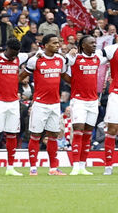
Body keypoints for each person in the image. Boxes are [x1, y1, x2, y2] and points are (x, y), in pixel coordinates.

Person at [22, 31, 68, 174]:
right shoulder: (35, 60)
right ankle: (33, 168)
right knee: (35, 135)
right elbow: (21, 76)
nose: (57, 45)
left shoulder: (60, 60)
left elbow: (65, 77)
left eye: (58, 42)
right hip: (40, 104)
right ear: (46, 45)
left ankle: (53, 168)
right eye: (54, 43)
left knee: (53, 135)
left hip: (55, 103)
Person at [66, 34, 104, 175]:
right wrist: (69, 53)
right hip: (79, 100)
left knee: (88, 134)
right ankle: (75, 166)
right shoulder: (75, 58)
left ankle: (82, 166)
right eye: (91, 43)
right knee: (78, 131)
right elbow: (62, 64)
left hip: (93, 101)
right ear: (83, 46)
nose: (94, 45)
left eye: (95, 43)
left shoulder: (97, 58)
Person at [0, 44, 24, 172]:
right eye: (12, 53)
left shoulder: (19, 57)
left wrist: (38, 53)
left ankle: (10, 168)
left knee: (12, 133)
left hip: (13, 102)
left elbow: (31, 54)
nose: (14, 56)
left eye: (16, 54)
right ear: (7, 49)